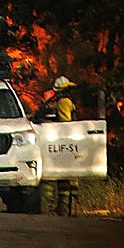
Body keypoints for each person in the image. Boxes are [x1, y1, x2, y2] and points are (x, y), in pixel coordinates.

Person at [38, 75, 79, 215]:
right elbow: (66, 123)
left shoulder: (59, 102)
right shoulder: (64, 102)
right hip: (63, 143)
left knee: (59, 178)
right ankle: (64, 209)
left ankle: (57, 208)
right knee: (65, 177)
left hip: (59, 143)